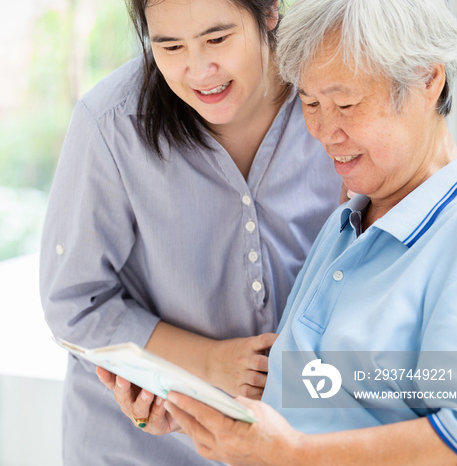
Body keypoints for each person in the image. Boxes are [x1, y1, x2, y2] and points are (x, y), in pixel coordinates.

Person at [134, 0, 457, 464]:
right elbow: (325, 398)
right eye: (310, 103)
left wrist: (295, 454)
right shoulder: (349, 222)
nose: (322, 129)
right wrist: (198, 412)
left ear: (427, 81)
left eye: (346, 104)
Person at [39, 0, 341, 463]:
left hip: (298, 441)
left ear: (271, 11)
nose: (199, 70)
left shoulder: (332, 95)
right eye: (170, 46)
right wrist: (208, 362)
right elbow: (74, 303)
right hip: (137, 446)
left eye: (217, 39)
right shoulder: (110, 125)